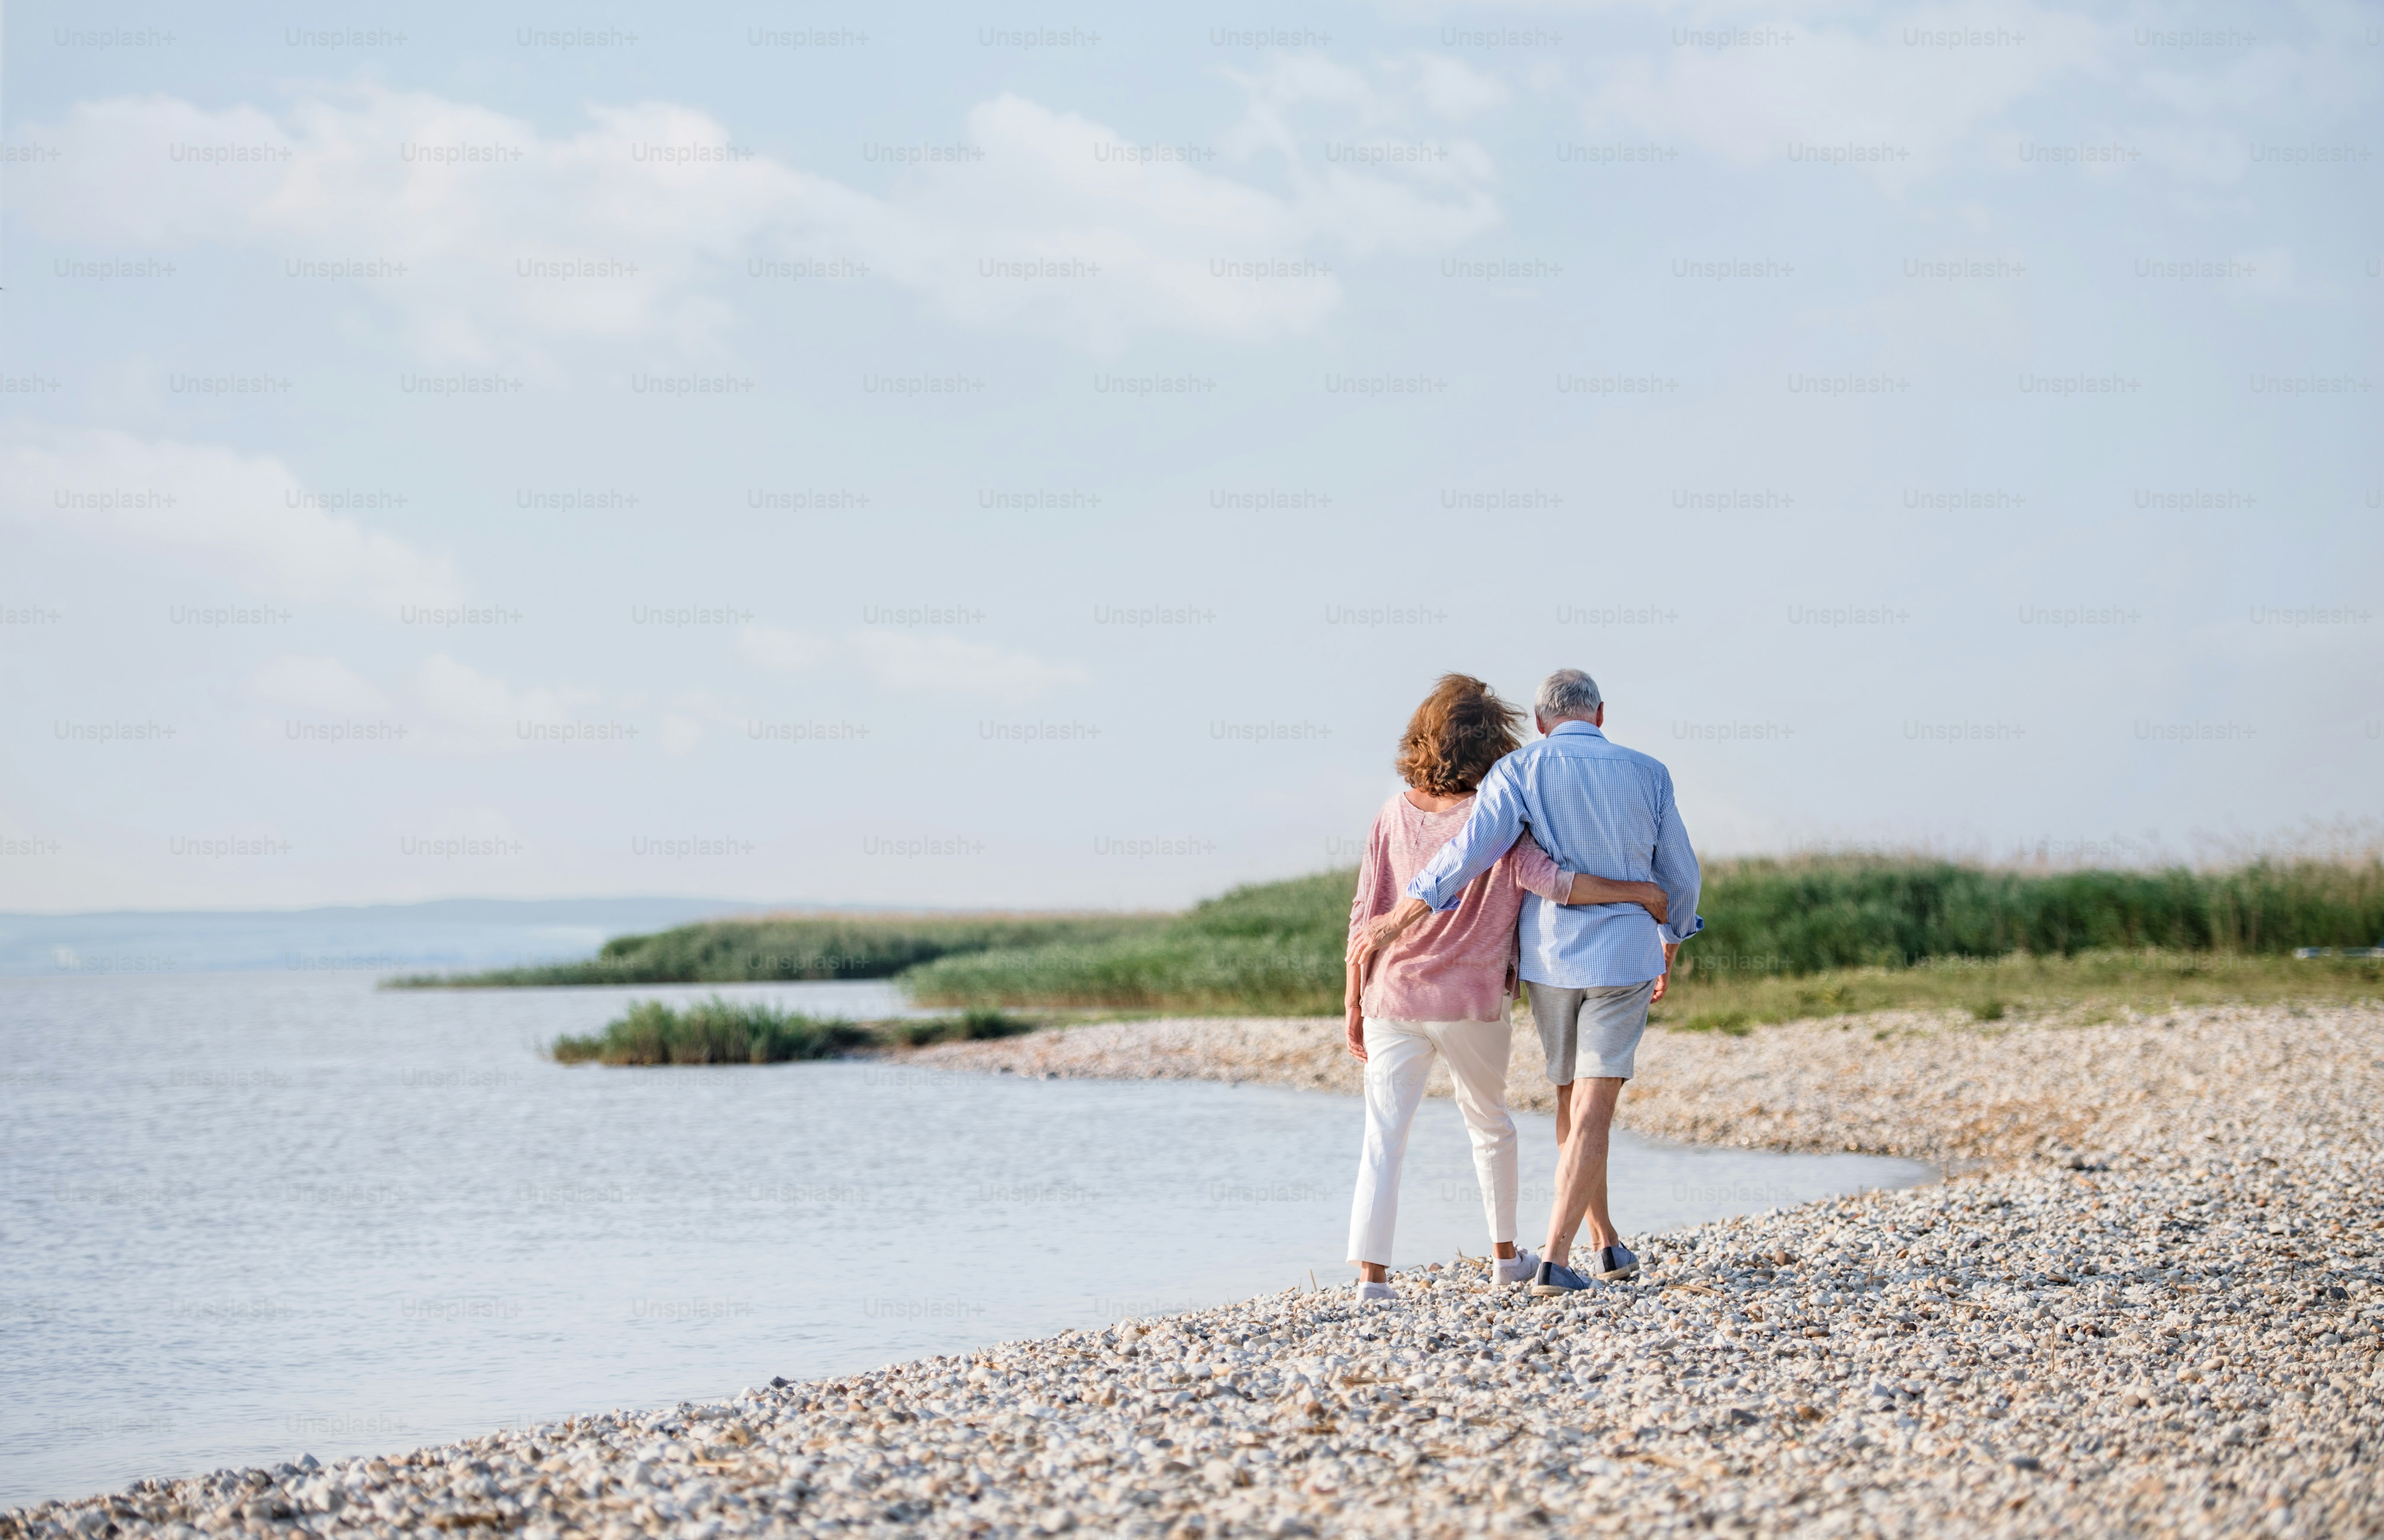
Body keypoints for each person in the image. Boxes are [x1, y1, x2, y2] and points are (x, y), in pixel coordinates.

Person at [1363, 667, 1701, 1294]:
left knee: (1572, 1104)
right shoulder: (1649, 772)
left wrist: (1397, 920)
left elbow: (1467, 853)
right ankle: (1554, 1258)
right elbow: (1681, 878)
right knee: (1595, 1108)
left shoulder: (1519, 773)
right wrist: (1671, 942)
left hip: (1549, 964)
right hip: (1623, 960)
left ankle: (1605, 1241)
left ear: (1543, 723)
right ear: (1599, 714)